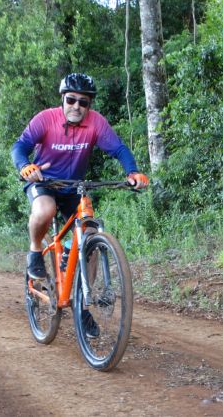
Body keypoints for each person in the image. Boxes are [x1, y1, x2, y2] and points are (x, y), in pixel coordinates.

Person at [11, 72, 149, 282]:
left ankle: (85, 298)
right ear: (63, 98)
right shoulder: (46, 119)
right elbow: (20, 146)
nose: (76, 106)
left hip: (74, 187)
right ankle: (35, 250)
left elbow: (119, 149)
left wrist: (132, 171)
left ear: (89, 104)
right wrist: (25, 166)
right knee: (45, 210)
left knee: (90, 236)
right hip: (44, 182)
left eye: (83, 102)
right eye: (71, 100)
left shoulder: (96, 123)